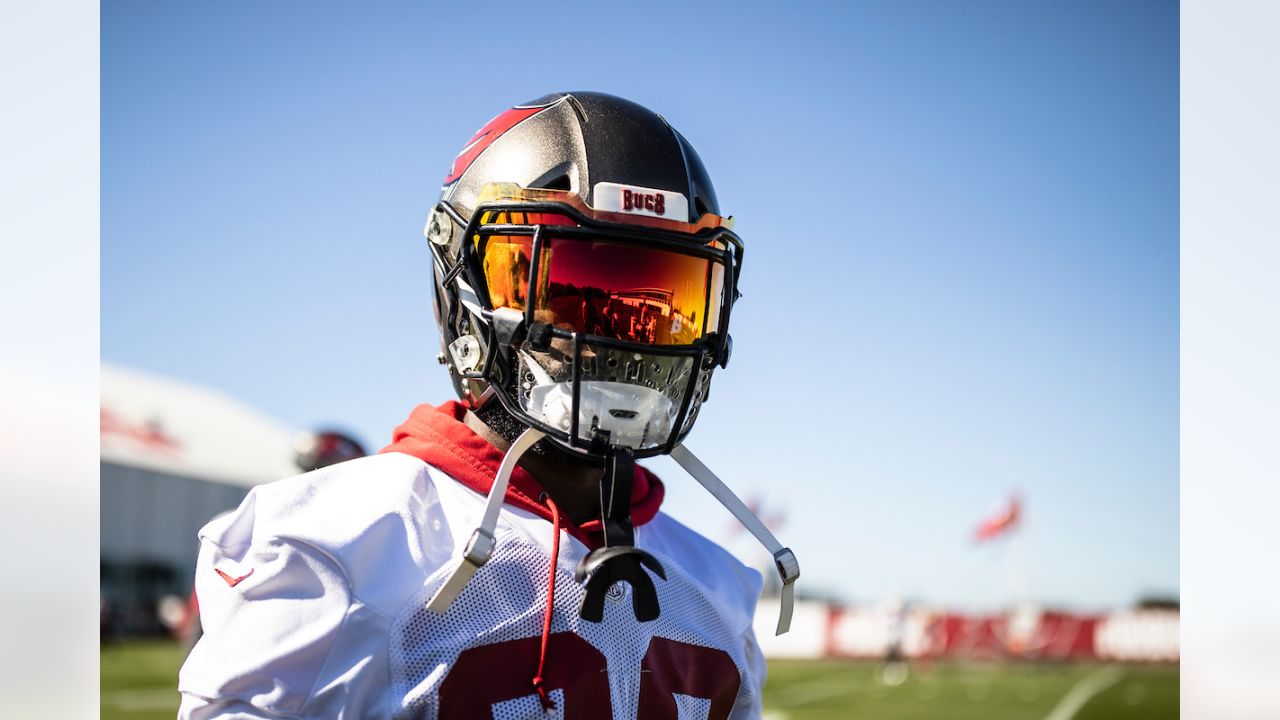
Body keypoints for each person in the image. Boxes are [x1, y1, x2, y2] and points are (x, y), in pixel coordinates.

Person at [177, 91, 798, 719]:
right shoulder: (333, 548)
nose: (613, 337)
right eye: (570, 292)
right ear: (461, 289)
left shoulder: (722, 585)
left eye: (663, 304)